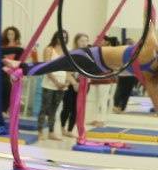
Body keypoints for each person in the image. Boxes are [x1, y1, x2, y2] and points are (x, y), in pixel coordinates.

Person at [9, 31, 158, 114]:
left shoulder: (150, 49)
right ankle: (20, 67)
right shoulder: (150, 77)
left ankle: (21, 68)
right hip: (97, 69)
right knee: (56, 65)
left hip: (91, 58)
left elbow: (150, 18)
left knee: (54, 65)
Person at [37, 30, 69, 140]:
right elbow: (47, 68)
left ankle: (51, 132)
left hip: (61, 85)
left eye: (65, 37)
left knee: (54, 110)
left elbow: (68, 69)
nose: (63, 39)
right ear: (55, 37)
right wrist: (56, 82)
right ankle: (40, 131)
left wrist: (66, 83)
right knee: (44, 108)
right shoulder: (49, 49)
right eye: (61, 37)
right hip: (49, 84)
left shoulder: (66, 51)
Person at [59, 33, 90, 135]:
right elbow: (67, 72)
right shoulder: (71, 54)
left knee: (77, 109)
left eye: (86, 41)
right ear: (77, 42)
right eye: (82, 41)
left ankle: (70, 130)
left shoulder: (89, 55)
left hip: (83, 84)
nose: (84, 43)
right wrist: (74, 83)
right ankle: (62, 127)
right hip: (71, 84)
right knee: (67, 107)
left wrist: (84, 83)